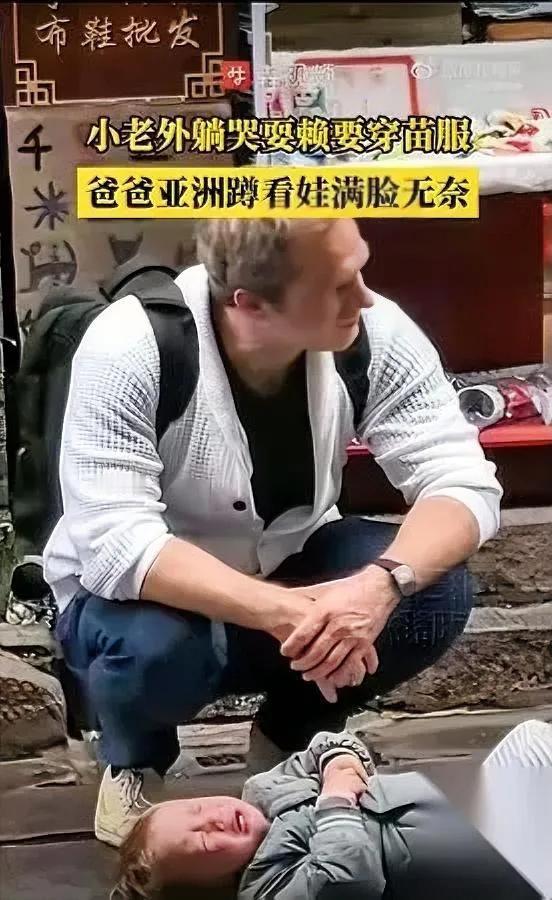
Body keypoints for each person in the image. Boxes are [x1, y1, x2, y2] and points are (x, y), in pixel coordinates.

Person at [44, 218, 502, 847]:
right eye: (338, 285)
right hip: (142, 608)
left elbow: (461, 480)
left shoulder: (375, 332)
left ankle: (290, 741)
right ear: (251, 304)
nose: (365, 297)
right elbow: (116, 544)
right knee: (156, 649)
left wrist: (376, 588)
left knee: (434, 592)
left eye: (360, 270)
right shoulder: (130, 345)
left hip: (290, 568)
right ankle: (135, 760)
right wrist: (288, 612)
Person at [111, 721, 552, 899]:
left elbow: (324, 744)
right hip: (501, 858)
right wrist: (335, 800)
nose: (213, 818)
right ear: (212, 890)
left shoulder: (262, 790)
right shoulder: (270, 888)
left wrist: (338, 762)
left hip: (481, 801)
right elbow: (349, 876)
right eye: (204, 840)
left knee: (532, 738)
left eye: (197, 807)